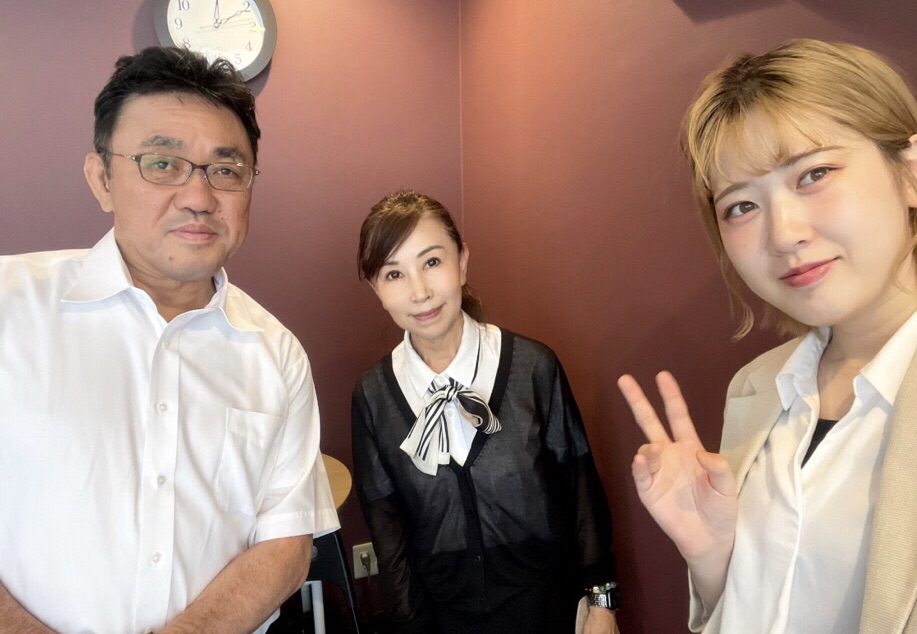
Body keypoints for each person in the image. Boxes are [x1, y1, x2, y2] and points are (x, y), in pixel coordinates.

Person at [0, 47, 339, 633]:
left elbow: (286, 543)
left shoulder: (277, 352)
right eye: (162, 163)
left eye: (226, 170)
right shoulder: (10, 307)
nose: (199, 197)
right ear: (102, 179)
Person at [617, 39, 917, 633]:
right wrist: (712, 557)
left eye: (814, 174)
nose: (783, 235)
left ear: (909, 173)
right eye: (741, 207)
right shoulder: (758, 387)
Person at [351, 190, 621, 634]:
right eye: (394, 273)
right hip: (444, 621)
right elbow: (388, 531)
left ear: (462, 261)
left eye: (432, 262)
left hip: (550, 609)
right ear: (376, 289)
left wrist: (602, 603)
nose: (420, 292)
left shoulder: (533, 367)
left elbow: (581, 491)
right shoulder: (373, 395)